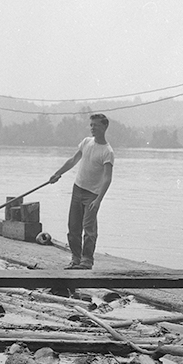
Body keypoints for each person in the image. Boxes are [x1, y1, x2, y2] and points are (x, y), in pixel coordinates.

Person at [49, 113, 114, 270]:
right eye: (91, 125)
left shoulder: (108, 152)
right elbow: (73, 160)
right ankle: (75, 258)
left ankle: (87, 261)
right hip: (78, 189)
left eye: (96, 125)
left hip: (92, 194)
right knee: (73, 227)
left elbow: (107, 179)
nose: (92, 128)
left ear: (104, 127)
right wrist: (58, 173)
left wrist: (98, 200)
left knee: (89, 229)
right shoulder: (86, 142)